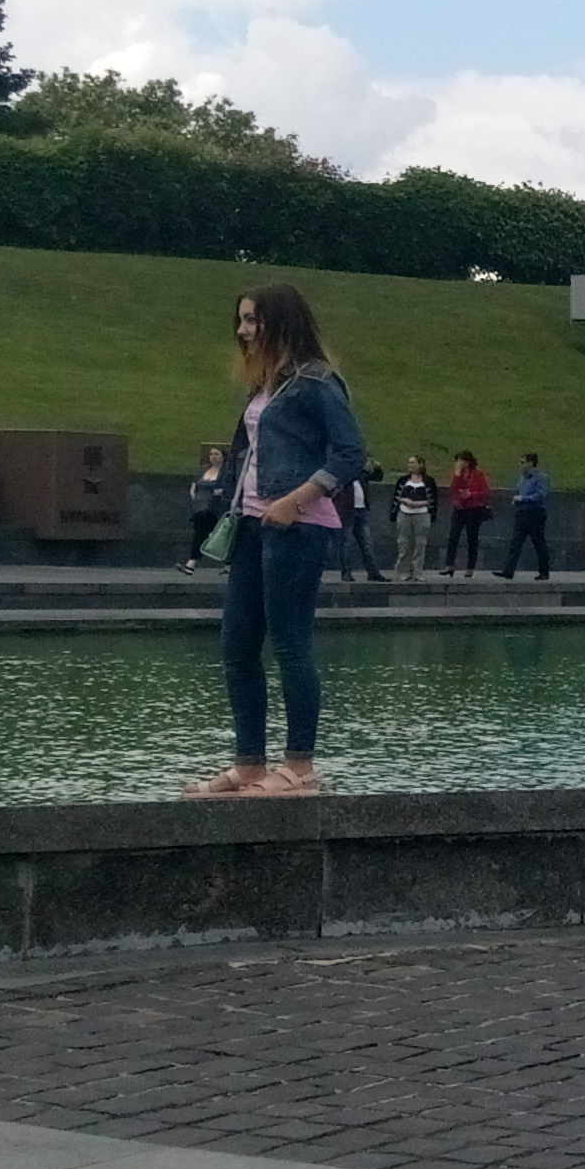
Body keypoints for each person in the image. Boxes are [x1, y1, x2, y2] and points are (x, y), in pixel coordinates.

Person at [192, 280, 364, 798]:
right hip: (251, 524)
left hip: (297, 526)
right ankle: (249, 763)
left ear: (280, 323)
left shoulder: (317, 382)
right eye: (241, 320)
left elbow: (351, 453)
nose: (243, 331)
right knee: (238, 645)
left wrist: (296, 500)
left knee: (290, 643)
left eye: (252, 320)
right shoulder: (266, 385)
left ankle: (300, 767)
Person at [502, 451, 554, 580]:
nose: (520, 465)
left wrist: (523, 498)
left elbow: (541, 495)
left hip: (535, 513)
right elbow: (519, 491)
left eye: (523, 462)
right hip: (522, 512)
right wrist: (517, 500)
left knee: (538, 542)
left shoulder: (540, 477)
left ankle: (544, 571)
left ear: (530, 463)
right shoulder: (522, 477)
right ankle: (508, 570)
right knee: (516, 542)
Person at [180, 442, 231, 572]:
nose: (213, 456)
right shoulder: (204, 469)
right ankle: (191, 563)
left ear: (223, 457)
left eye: (217, 454)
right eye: (211, 454)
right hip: (200, 508)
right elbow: (195, 485)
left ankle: (228, 564)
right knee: (200, 534)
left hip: (216, 508)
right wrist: (194, 495)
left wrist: (219, 493)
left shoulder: (226, 472)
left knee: (221, 535)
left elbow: (227, 488)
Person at [440, 451, 491, 576]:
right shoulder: (458, 474)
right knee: (453, 536)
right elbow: (452, 488)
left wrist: (471, 494)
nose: (458, 463)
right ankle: (449, 564)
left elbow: (485, 491)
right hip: (459, 509)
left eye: (460, 461)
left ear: (467, 462)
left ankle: (470, 566)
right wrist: (457, 475)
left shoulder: (477, 474)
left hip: (473, 509)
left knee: (472, 538)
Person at [393, 452, 439, 578]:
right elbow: (396, 497)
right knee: (404, 543)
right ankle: (403, 571)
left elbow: (433, 500)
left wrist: (418, 503)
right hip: (404, 513)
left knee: (420, 544)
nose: (410, 465)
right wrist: (405, 500)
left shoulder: (429, 481)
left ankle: (417, 571)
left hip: (421, 515)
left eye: (413, 463)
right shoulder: (403, 480)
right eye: (409, 463)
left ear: (420, 464)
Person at [348, 455, 391, 582]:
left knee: (366, 544)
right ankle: (346, 573)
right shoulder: (345, 473)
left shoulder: (363, 473)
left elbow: (377, 477)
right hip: (347, 512)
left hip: (362, 510)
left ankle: (373, 572)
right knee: (346, 544)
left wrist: (377, 468)